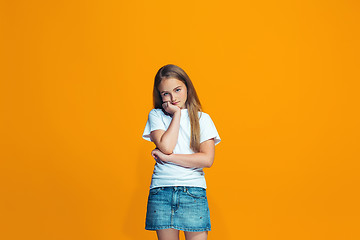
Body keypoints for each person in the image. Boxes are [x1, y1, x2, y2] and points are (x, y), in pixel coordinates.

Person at [142, 64, 221, 240]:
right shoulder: (156, 115)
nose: (173, 97)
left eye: (177, 90)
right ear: (160, 95)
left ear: (187, 87)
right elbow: (167, 146)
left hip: (193, 191)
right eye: (166, 94)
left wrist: (168, 158)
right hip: (162, 190)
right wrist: (176, 114)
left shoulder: (203, 119)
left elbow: (207, 159)